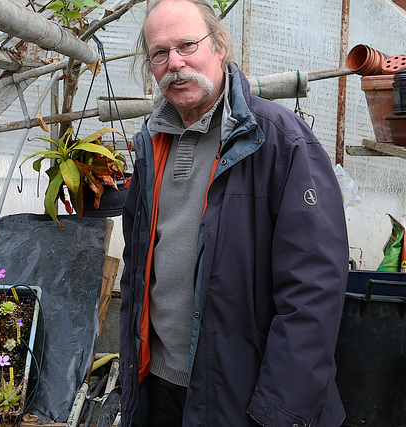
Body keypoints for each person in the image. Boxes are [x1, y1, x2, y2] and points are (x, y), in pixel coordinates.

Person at [119, 0, 349, 426]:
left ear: (219, 46)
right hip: (160, 387)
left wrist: (276, 412)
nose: (175, 63)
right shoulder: (149, 147)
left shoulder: (279, 140)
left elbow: (313, 293)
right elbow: (137, 274)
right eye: (160, 53)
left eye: (188, 45)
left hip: (243, 396)